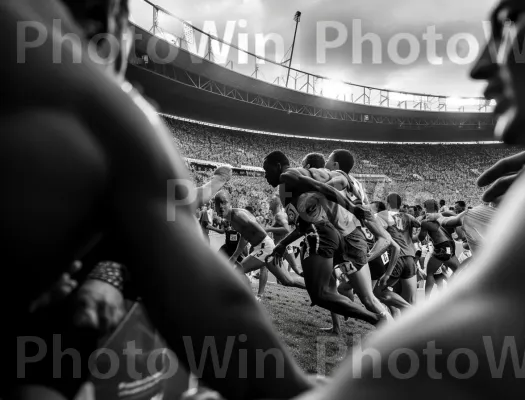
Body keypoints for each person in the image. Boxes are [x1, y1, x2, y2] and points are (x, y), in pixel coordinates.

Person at [3, 1, 312, 399]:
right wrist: (293, 390)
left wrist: (108, 273)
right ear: (112, 26)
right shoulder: (101, 107)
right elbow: (211, 300)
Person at [295, 0, 525, 398]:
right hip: (399, 254)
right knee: (405, 293)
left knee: (390, 295)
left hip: (386, 252)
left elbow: (433, 363)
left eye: (510, 18)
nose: (481, 65)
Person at [263, 151, 392, 325]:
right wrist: (283, 244)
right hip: (328, 234)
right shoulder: (287, 187)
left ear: (278, 165)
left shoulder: (288, 175)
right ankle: (352, 323)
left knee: (322, 294)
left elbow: (324, 188)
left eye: (266, 169)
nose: (265, 175)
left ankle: (376, 320)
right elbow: (304, 221)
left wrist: (353, 208)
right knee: (326, 291)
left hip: (323, 235)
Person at [214, 191, 306, 293]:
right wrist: (236, 255)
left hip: (265, 247)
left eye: (224, 202)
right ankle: (312, 287)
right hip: (263, 246)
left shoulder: (238, 216)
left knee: (238, 271)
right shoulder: (234, 217)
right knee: (287, 281)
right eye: (218, 204)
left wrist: (274, 248)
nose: (221, 206)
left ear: (230, 203)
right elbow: (245, 236)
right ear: (215, 207)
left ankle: (248, 301)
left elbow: (259, 231)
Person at [375, 193, 421, 305]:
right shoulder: (408, 217)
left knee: (376, 291)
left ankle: (399, 311)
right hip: (410, 258)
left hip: (395, 258)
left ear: (387, 203)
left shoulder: (381, 215)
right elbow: (419, 224)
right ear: (400, 205)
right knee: (411, 299)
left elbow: (379, 237)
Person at [418, 199, 461, 298]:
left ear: (425, 208)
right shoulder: (443, 216)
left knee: (430, 273)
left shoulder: (426, 222)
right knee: (459, 271)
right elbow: (454, 215)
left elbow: (421, 237)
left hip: (441, 246)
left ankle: (427, 300)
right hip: (451, 245)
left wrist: (419, 229)